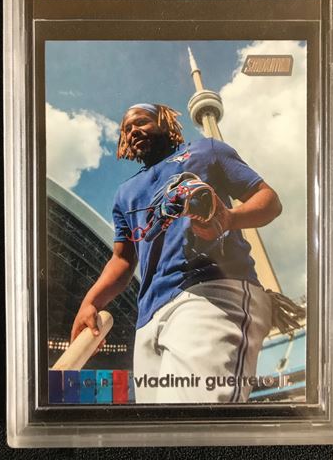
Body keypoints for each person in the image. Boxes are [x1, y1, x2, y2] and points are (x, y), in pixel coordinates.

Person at [71, 103, 288, 403]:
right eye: (127, 129)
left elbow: (269, 200)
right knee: (159, 426)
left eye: (142, 122)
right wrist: (90, 302)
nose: (133, 131)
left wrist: (228, 219)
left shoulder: (206, 150)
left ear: (165, 122)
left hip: (211, 292)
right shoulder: (124, 194)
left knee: (189, 418)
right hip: (148, 318)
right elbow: (122, 260)